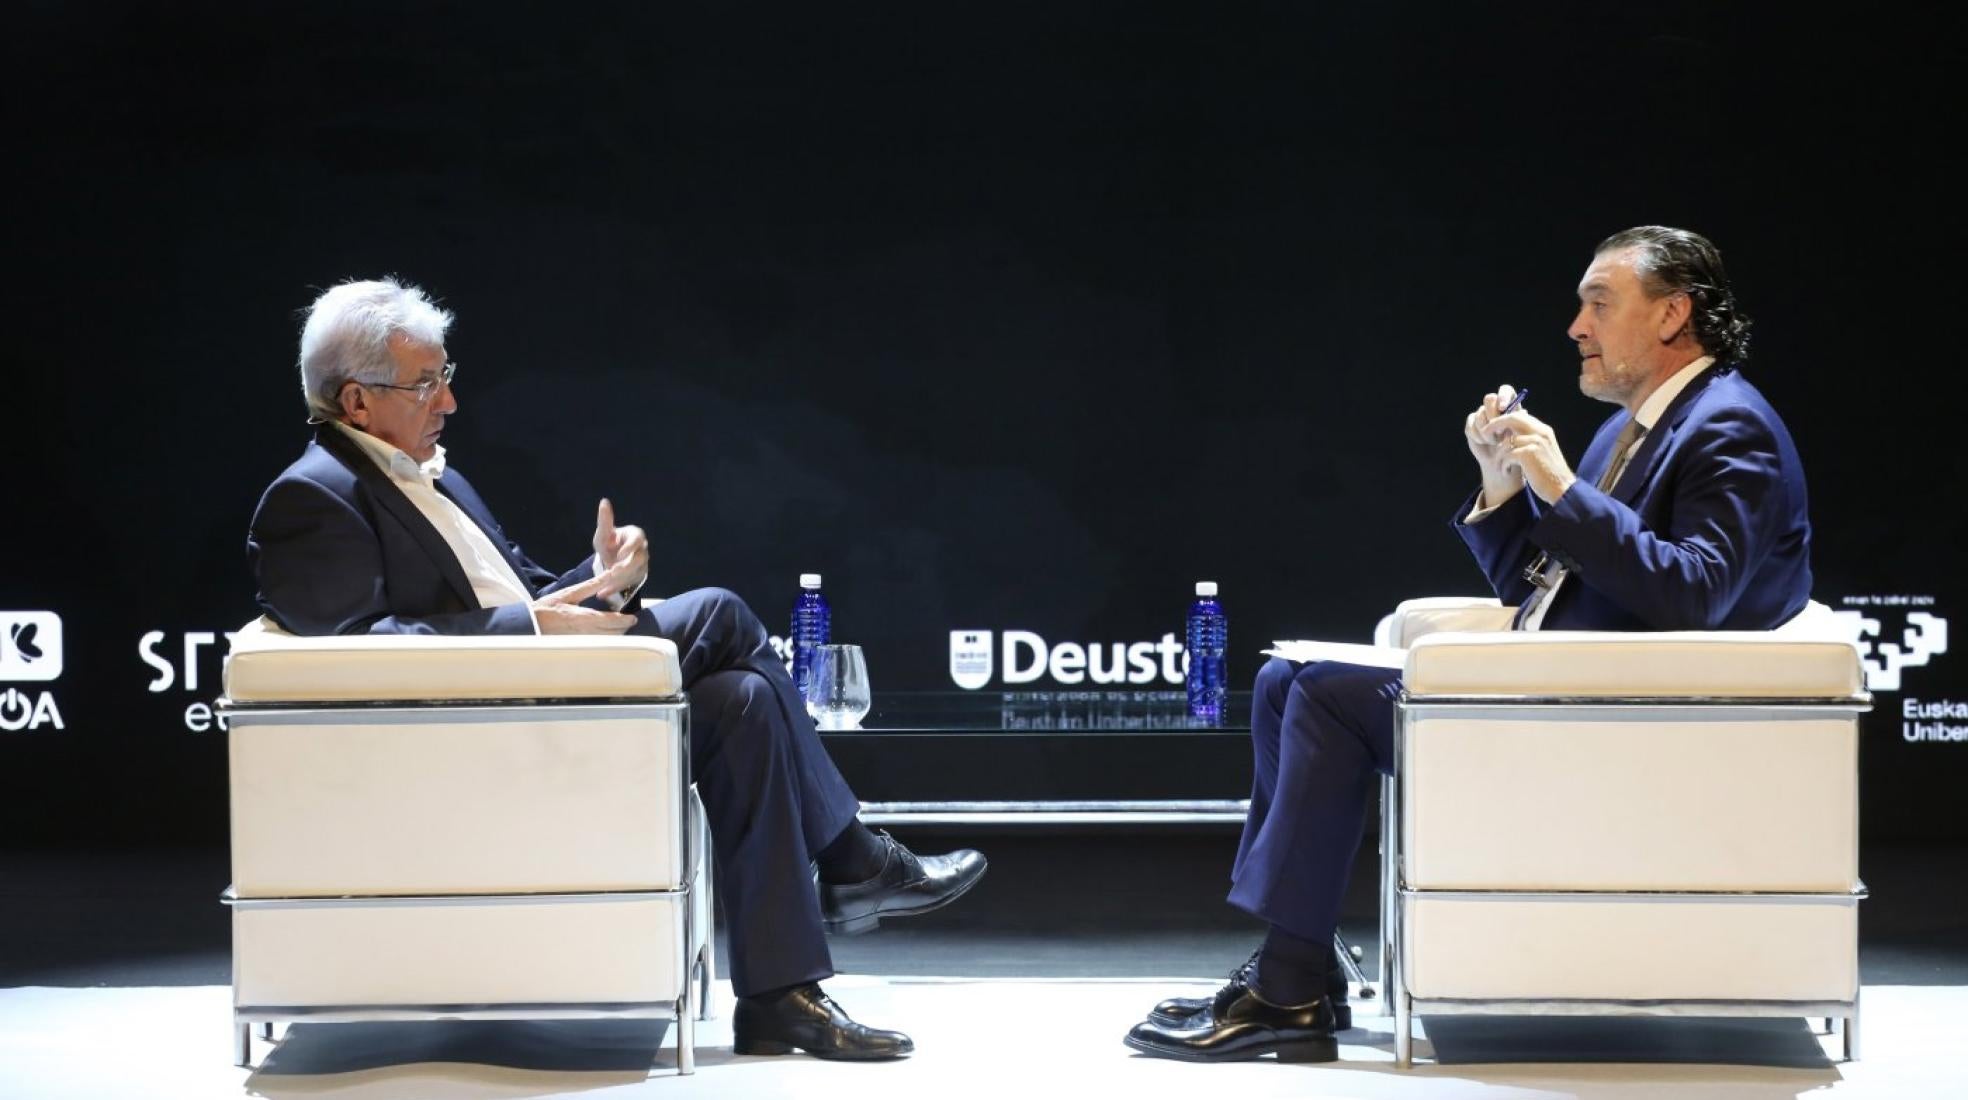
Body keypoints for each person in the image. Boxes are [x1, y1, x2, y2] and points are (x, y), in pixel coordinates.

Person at [247, 278, 989, 1061]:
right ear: (356, 402)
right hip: (475, 740)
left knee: (743, 704)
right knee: (724, 612)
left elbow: (532, 592)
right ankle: (854, 858)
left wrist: (606, 579)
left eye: (446, 374)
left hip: (553, 707)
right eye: (426, 383)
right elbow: (358, 650)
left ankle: (779, 996)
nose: (451, 402)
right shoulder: (310, 498)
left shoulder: (441, 477)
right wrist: (533, 624)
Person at [1125, 225, 1813, 1063]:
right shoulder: (1630, 428)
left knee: (1324, 697)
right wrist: (1506, 485)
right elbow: (1543, 584)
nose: (1576, 327)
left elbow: (1694, 594)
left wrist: (1559, 484)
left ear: (1673, 314)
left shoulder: (1727, 428)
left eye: (1599, 303)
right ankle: (1306, 965)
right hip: (1570, 689)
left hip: (1626, 727)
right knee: (1284, 677)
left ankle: (1289, 987)